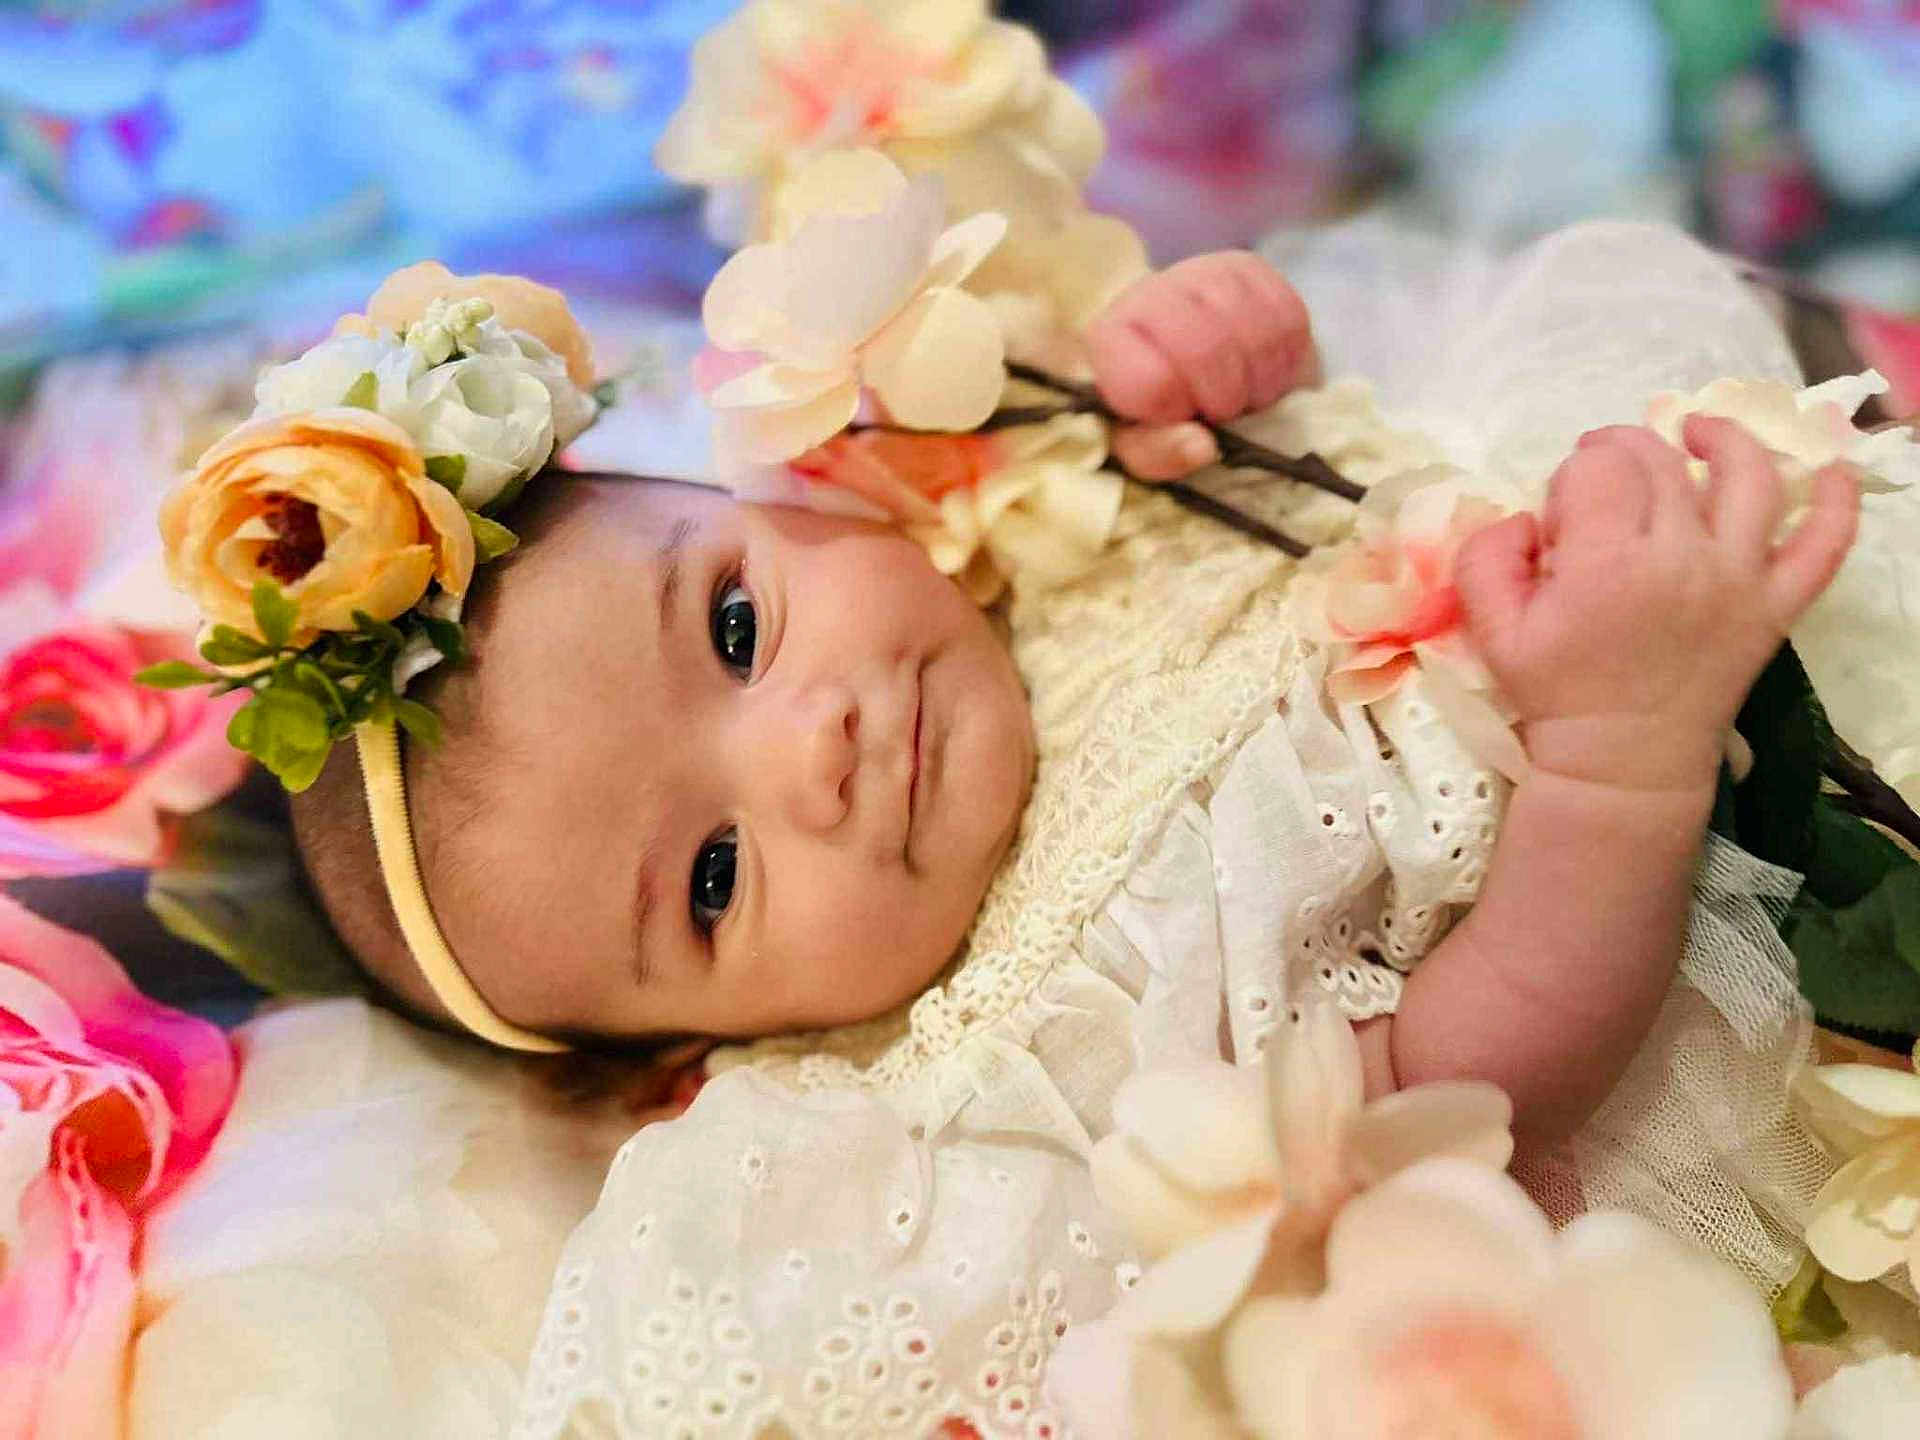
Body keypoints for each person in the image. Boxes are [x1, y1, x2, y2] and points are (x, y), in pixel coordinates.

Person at [233, 221, 1877, 1437]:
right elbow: (1463, 1096)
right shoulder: (1034, 1076)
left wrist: (1235, 361)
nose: (815, 748)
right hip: (1711, 866)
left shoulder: (1043, 527)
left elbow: (1327, 467)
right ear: (702, 1054)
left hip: (1653, 528)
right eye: (715, 879)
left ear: (763, 508)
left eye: (736, 628)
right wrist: (1615, 768)